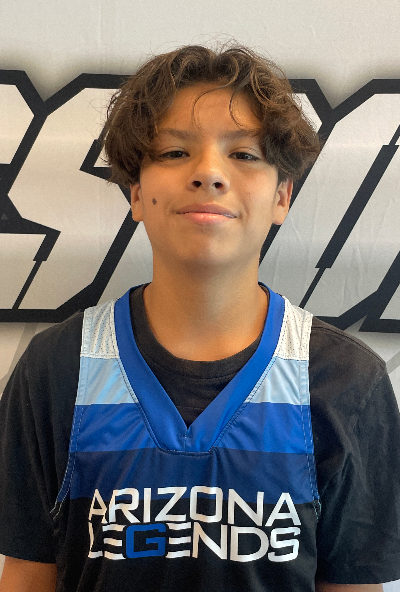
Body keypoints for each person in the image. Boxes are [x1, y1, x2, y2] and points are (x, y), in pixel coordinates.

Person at [0, 44, 399, 592]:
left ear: (282, 196)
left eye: (245, 154)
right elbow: (28, 575)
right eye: (173, 152)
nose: (209, 172)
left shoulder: (347, 381)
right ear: (136, 191)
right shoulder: (55, 369)